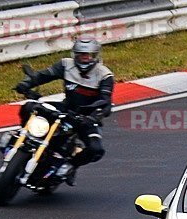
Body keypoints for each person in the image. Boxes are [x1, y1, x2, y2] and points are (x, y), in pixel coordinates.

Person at [14, 36, 113, 185]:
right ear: (75, 54)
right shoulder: (66, 64)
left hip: (86, 117)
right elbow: (43, 75)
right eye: (81, 54)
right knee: (29, 107)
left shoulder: (105, 75)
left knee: (95, 149)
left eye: (89, 55)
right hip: (65, 107)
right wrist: (26, 84)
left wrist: (93, 117)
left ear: (95, 56)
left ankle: (70, 165)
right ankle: (22, 135)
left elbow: (106, 102)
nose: (85, 58)